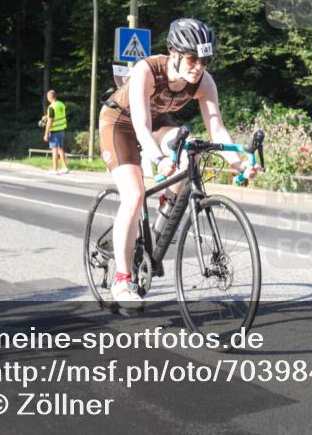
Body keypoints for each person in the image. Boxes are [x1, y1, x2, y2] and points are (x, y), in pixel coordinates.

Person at [98, 18, 258, 304]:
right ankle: (122, 281)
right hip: (120, 124)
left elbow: (216, 127)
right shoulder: (147, 71)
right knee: (134, 195)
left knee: (189, 156)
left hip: (160, 123)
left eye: (205, 60)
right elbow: (141, 126)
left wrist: (238, 162)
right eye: (192, 59)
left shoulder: (204, 82)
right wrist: (157, 158)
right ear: (173, 52)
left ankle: (164, 212)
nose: (199, 66)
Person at [43, 89, 70, 175]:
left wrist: (46, 134)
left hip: (54, 131)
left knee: (54, 150)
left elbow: (50, 121)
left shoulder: (51, 107)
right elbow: (57, 115)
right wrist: (46, 116)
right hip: (62, 129)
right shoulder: (61, 104)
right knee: (60, 149)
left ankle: (54, 169)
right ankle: (65, 167)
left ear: (49, 97)